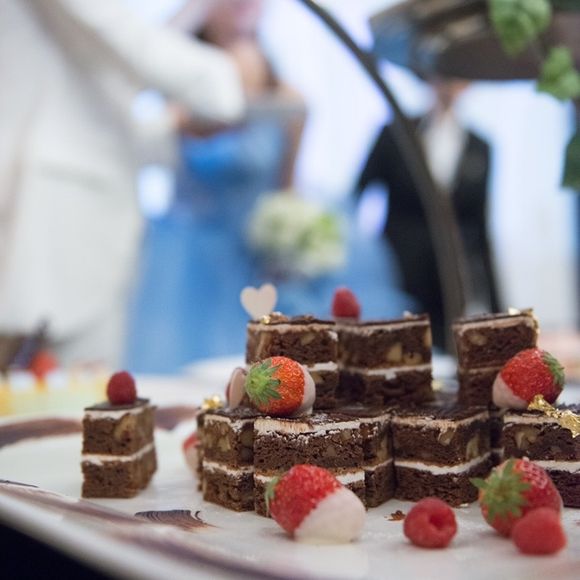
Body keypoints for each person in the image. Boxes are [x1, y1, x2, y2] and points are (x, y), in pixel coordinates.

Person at [0, 0, 245, 368]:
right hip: (58, 226)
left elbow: (98, 103)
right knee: (70, 391)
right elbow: (132, 44)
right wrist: (228, 77)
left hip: (83, 219)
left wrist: (171, 127)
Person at [126, 0, 307, 369]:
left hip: (254, 262)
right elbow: (143, 56)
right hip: (187, 263)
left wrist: (288, 240)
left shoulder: (289, 100)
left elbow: (288, 188)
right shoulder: (183, 85)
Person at [357, 78, 500, 348]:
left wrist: (498, 310)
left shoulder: (479, 146)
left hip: (449, 277)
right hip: (398, 270)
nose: (449, 86)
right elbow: (358, 194)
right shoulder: (396, 133)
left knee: (447, 350)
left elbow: (480, 228)